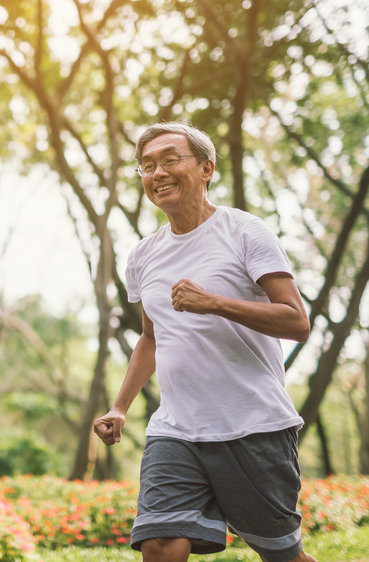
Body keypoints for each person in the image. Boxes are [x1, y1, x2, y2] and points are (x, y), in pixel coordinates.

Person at [93, 122, 316, 562]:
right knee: (158, 544)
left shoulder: (245, 232)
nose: (157, 173)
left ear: (207, 167)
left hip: (252, 422)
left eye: (170, 160)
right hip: (176, 426)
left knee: (283, 557)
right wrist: (120, 406)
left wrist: (214, 302)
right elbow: (152, 337)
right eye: (147, 165)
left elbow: (296, 322)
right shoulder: (142, 256)